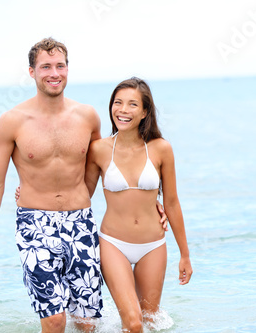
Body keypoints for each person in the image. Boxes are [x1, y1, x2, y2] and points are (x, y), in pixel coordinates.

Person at [0, 37, 166, 333]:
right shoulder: (12, 121)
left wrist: (147, 200)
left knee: (87, 323)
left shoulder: (87, 117)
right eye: (46, 67)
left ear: (68, 69)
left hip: (81, 223)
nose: (54, 73)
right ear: (31, 72)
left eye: (60, 66)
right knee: (54, 320)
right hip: (34, 224)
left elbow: (108, 164)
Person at [85, 77, 193, 332]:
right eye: (118, 102)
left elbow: (173, 203)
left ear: (145, 112)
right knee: (133, 322)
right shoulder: (99, 149)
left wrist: (185, 255)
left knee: (151, 322)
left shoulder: (161, 149)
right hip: (113, 243)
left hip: (153, 246)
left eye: (132, 104)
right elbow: (82, 193)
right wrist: (39, 191)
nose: (123, 110)